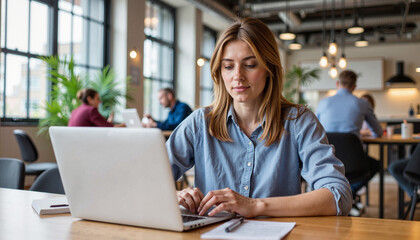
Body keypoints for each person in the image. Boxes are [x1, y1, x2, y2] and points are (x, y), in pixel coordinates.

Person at [166, 17, 352, 218]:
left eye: (250, 64)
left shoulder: (299, 122)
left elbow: (338, 195)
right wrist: (175, 195)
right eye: (228, 66)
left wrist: (255, 205)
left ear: (269, 69)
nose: (238, 76)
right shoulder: (199, 123)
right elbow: (144, 179)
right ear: (219, 72)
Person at [316, 70, 382, 216]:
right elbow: (377, 132)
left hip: (327, 159)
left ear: (337, 84)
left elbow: (316, 132)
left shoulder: (323, 103)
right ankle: (348, 194)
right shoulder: (362, 104)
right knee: (375, 165)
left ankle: (340, 195)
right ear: (354, 87)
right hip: (354, 161)